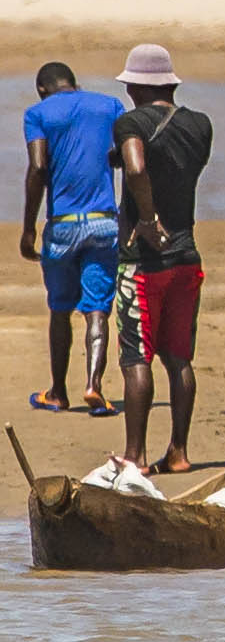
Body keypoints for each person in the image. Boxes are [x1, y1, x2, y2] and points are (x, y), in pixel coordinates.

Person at [109, 45, 212, 472]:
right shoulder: (200, 125)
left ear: (137, 86)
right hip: (186, 255)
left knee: (136, 357)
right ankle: (179, 452)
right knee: (178, 358)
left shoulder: (130, 123)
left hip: (143, 260)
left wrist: (147, 219)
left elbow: (136, 169)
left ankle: (135, 456)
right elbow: (176, 168)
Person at [22, 62, 123, 415]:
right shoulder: (110, 106)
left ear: (42, 89)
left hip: (62, 225)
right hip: (103, 223)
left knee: (60, 308)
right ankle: (94, 385)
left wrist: (29, 228)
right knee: (97, 309)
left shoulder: (37, 114)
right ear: (74, 83)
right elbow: (123, 155)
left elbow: (38, 167)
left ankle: (58, 392)